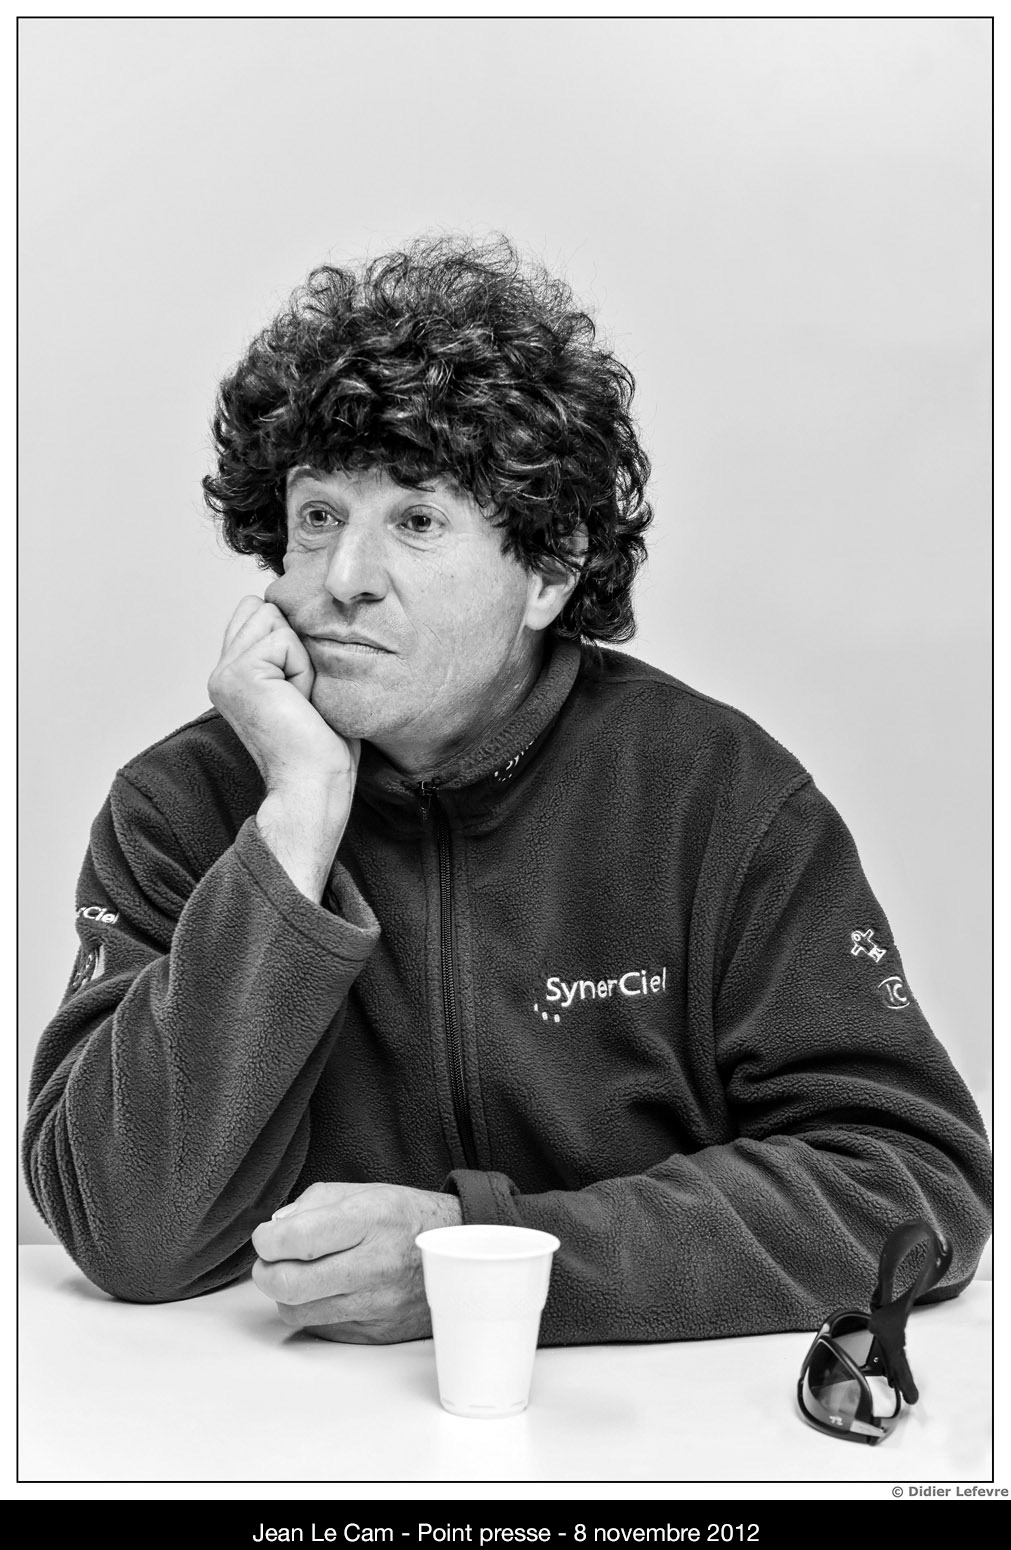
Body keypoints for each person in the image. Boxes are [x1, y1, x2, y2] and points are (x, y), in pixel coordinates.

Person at [23, 237, 992, 1347]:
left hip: (654, 1428)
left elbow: (910, 1184)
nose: (345, 578)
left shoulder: (716, 796)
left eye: (417, 520)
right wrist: (292, 825)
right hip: (280, 1425)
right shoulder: (180, 806)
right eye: (319, 516)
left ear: (548, 568)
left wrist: (489, 1256)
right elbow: (123, 1232)